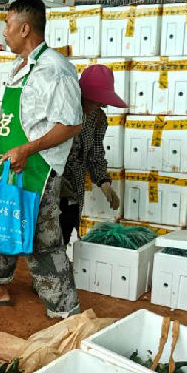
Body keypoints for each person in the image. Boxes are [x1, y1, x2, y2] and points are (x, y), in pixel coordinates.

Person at [0, 0, 84, 319]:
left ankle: (65, 312)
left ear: (24, 28)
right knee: (1, 222)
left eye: (7, 25)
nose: (3, 32)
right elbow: (22, 116)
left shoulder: (56, 70)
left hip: (37, 168)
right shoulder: (18, 67)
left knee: (43, 241)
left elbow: (71, 124)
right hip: (9, 162)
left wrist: (28, 149)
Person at [60, 64, 126, 244]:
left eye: (100, 101)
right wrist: (57, 178)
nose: (96, 104)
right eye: (92, 99)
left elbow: (95, 153)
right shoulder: (61, 108)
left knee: (66, 231)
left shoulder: (98, 118)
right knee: (45, 236)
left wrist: (104, 182)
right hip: (50, 182)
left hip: (75, 184)